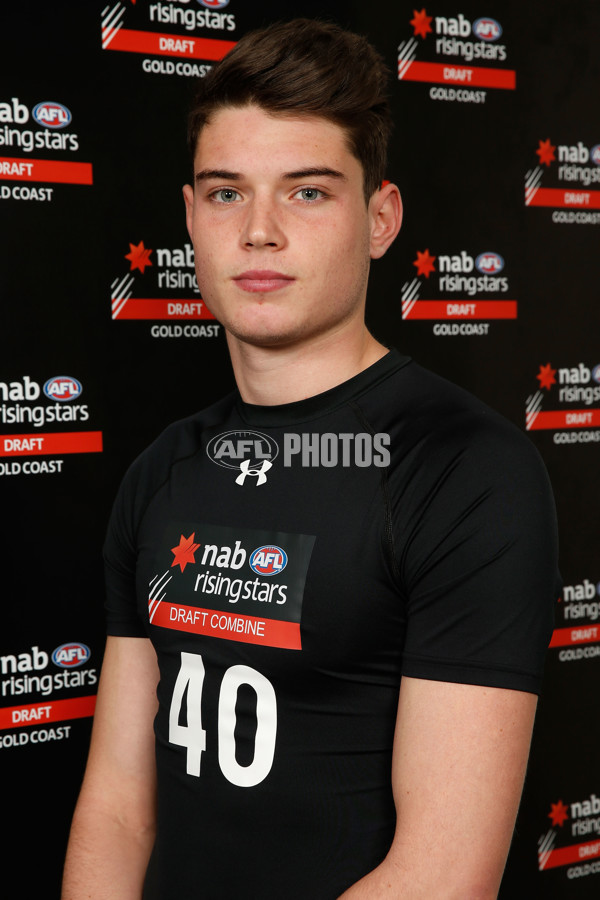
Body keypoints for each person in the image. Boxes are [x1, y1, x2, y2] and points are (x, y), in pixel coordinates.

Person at [62, 18, 559, 900]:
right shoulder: (163, 470)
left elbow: (443, 875)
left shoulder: (467, 471)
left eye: (307, 192)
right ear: (191, 218)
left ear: (380, 219)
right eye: (226, 193)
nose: (259, 231)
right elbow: (117, 811)